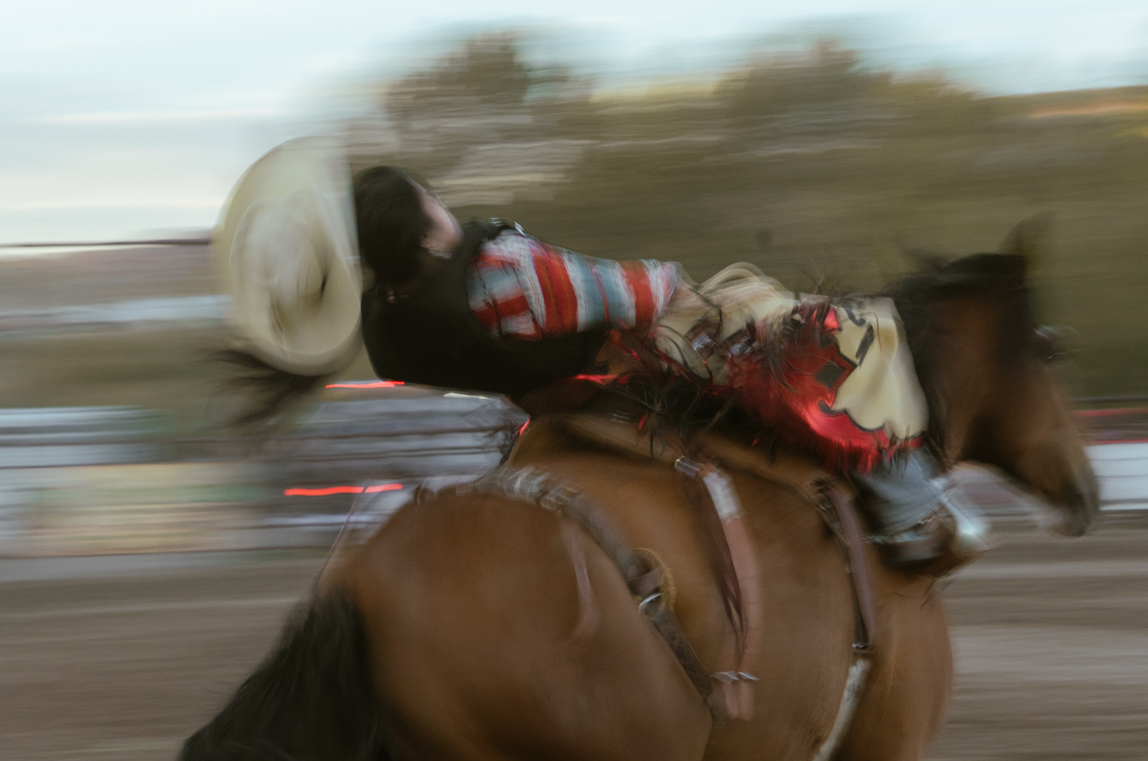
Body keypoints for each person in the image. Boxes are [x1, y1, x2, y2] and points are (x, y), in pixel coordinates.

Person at [348, 163, 982, 569]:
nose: (441, 203)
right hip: (637, 359)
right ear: (425, 235)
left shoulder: (394, 319)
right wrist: (671, 276)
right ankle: (907, 506)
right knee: (820, 343)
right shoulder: (505, 271)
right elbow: (638, 294)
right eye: (429, 200)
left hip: (543, 399)